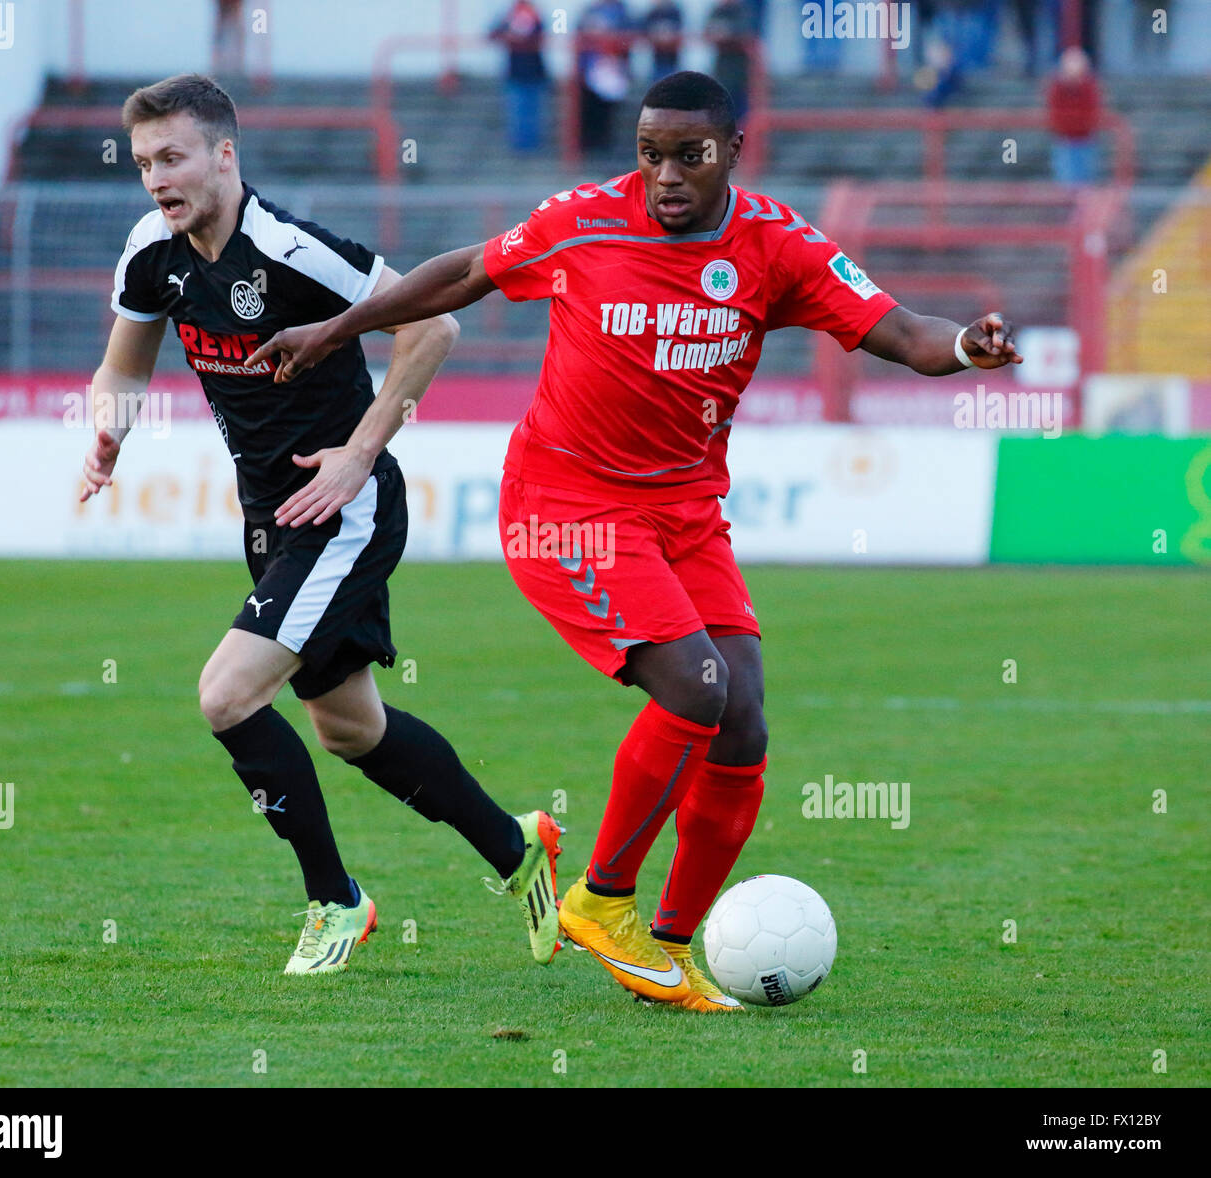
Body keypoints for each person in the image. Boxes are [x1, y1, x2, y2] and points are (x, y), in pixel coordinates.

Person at [245, 70, 1022, 1012]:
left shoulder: (777, 244)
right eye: (649, 153)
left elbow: (898, 330)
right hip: (565, 504)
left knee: (741, 722)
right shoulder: (584, 220)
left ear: (735, 149)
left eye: (688, 155)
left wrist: (968, 350)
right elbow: (464, 272)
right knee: (696, 686)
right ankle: (600, 900)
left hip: (686, 509)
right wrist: (338, 328)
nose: (664, 175)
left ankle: (668, 945)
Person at [80, 74, 563, 978]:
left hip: (345, 507)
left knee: (226, 695)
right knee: (349, 729)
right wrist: (107, 432)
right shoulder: (151, 251)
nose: (156, 177)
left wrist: (356, 453)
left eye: (174, 157)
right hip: (270, 516)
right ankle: (515, 847)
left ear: (226, 154)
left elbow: (435, 331)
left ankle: (336, 902)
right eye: (145, 162)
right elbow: (125, 365)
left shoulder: (293, 250)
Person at [489, 1, 548, 153]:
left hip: (533, 72)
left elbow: (541, 37)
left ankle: (530, 145)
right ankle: (520, 145)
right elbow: (492, 35)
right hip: (516, 72)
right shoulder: (508, 18)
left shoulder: (536, 18)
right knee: (517, 111)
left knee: (531, 112)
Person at [577, 0, 633, 152]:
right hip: (592, 68)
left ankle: (605, 144)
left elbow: (627, 37)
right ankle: (591, 144)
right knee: (590, 108)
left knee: (608, 109)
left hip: (612, 68)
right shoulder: (589, 11)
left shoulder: (621, 13)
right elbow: (580, 35)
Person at [1046, 46, 1102, 185]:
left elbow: (1092, 111)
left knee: (1085, 181)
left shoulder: (1088, 87)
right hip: (1064, 139)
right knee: (1065, 180)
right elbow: (1055, 113)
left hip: (1085, 139)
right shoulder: (1057, 87)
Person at [705, 0, 757, 124]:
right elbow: (708, 30)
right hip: (722, 68)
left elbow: (746, 31)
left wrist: (728, 33)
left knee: (741, 115)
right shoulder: (717, 11)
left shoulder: (743, 11)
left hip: (740, 71)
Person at [642, 0, 685, 83]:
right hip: (657, 54)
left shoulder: (675, 11)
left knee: (673, 78)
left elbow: (678, 29)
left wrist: (668, 34)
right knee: (657, 79)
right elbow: (646, 29)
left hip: (672, 55)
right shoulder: (653, 12)